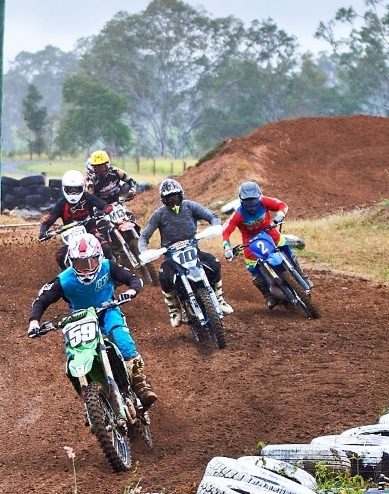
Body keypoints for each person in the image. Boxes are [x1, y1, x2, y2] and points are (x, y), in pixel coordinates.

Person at [26, 232, 156, 409]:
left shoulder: (108, 266)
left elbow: (134, 279)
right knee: (75, 356)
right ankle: (92, 400)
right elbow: (42, 300)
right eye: (80, 264)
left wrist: (130, 292)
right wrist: (34, 322)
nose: (86, 269)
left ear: (98, 257)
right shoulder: (64, 280)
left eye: (91, 262)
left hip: (107, 310)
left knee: (121, 338)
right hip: (80, 319)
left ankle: (141, 384)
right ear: (71, 262)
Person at [138, 178, 233, 327]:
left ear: (181, 195)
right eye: (169, 198)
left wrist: (215, 227)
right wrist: (143, 251)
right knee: (163, 275)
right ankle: (174, 309)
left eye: (175, 196)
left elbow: (213, 216)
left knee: (214, 263)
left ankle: (219, 299)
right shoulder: (159, 214)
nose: (173, 200)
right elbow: (144, 236)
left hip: (193, 249)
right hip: (171, 254)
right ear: (164, 200)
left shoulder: (190, 206)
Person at [222, 181, 294, 308]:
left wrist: (279, 216)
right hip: (250, 242)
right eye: (247, 201)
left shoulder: (265, 201)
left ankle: (300, 273)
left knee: (285, 247)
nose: (251, 205)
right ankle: (268, 295)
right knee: (254, 269)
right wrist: (227, 247)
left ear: (259, 196)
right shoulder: (238, 214)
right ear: (241, 200)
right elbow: (226, 230)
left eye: (254, 200)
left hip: (269, 232)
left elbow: (283, 205)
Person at [39, 169, 113, 268]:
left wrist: (104, 210)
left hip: (91, 232)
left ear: (82, 188)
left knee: (106, 248)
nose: (73, 192)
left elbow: (104, 205)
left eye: (76, 189)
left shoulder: (87, 197)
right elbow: (47, 222)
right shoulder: (61, 204)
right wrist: (43, 232)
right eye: (70, 190)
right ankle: (68, 278)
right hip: (72, 238)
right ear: (64, 189)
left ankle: (112, 271)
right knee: (59, 256)